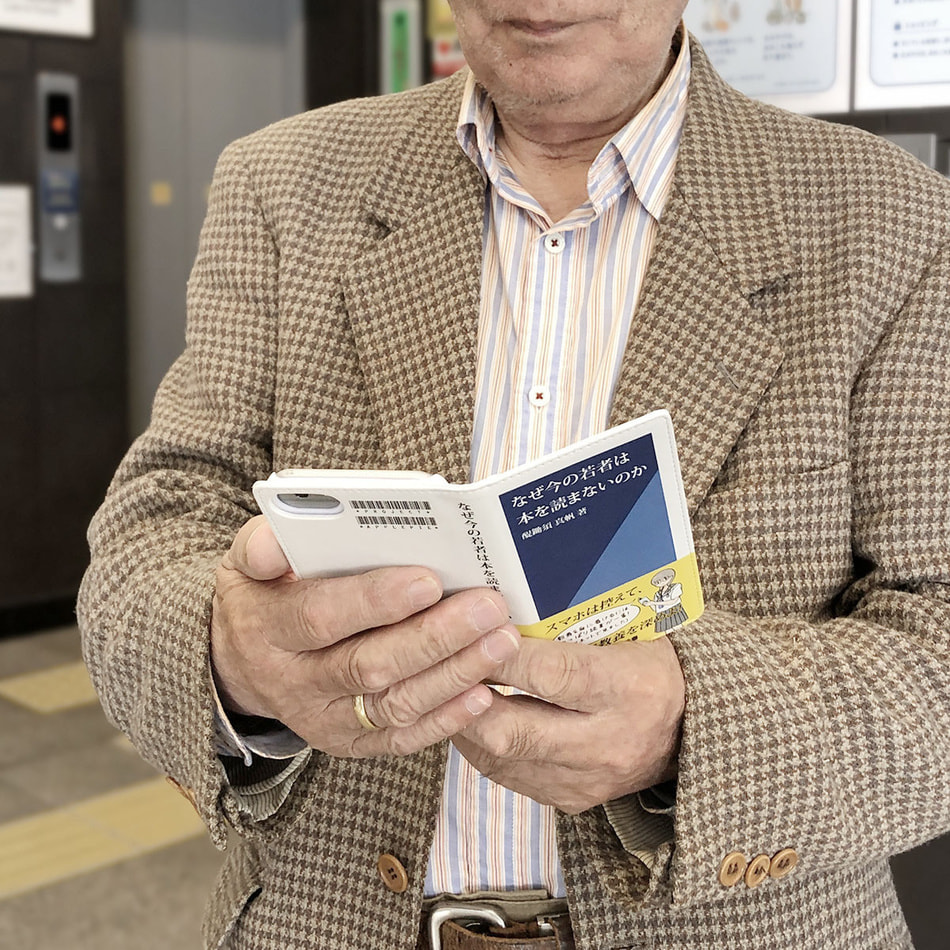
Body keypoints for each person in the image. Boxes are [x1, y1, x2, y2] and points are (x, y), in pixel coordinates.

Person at [78, 2, 950, 948]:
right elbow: (158, 521)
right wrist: (232, 652)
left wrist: (692, 726)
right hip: (322, 920)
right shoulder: (287, 182)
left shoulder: (890, 221)